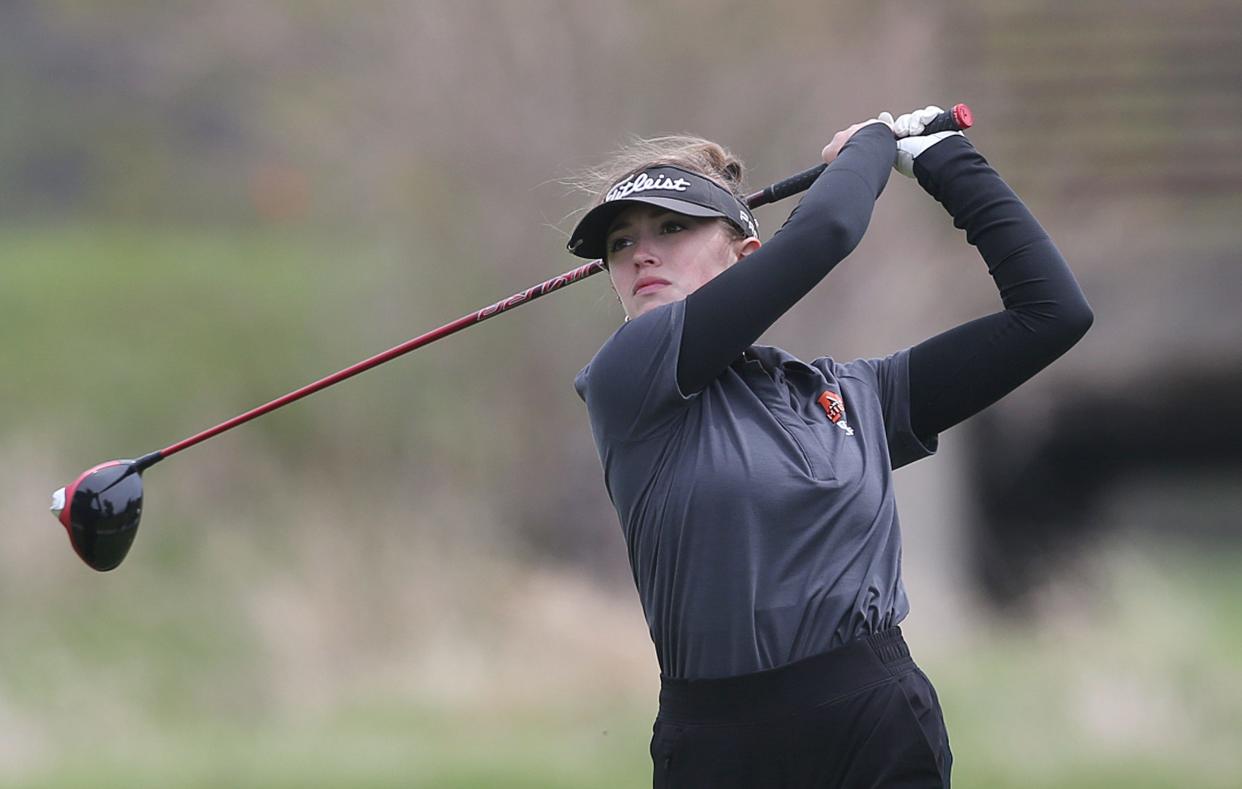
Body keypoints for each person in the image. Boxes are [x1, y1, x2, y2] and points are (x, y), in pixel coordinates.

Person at [568, 106, 1093, 788]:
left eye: (672, 227)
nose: (641, 253)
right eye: (620, 242)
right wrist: (874, 143)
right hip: (722, 747)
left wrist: (944, 160)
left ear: (746, 254)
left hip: (879, 722)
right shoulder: (627, 376)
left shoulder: (854, 396)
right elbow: (831, 228)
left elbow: (1051, 313)